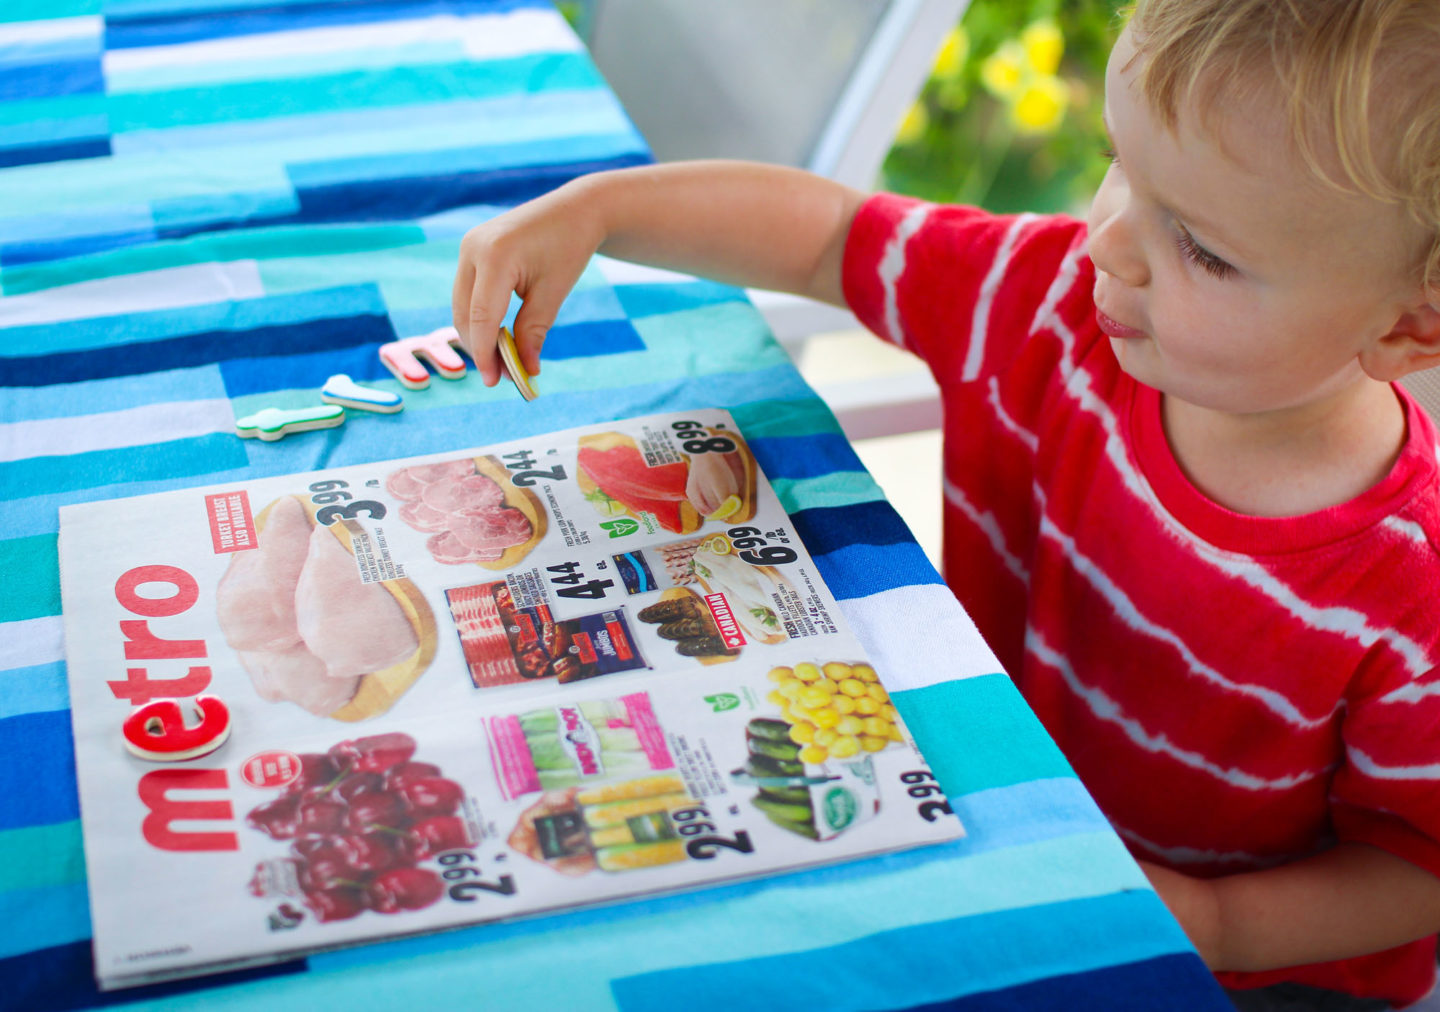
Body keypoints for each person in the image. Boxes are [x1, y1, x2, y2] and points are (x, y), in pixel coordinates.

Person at [451, 0, 1440, 1006]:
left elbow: (1417, 865)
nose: (1108, 241)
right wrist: (603, 210)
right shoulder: (1048, 301)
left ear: (1410, 328)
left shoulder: (1411, 594)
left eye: (1204, 249)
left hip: (1263, 972)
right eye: (1120, 165)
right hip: (1005, 815)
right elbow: (831, 236)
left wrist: (1219, 922)